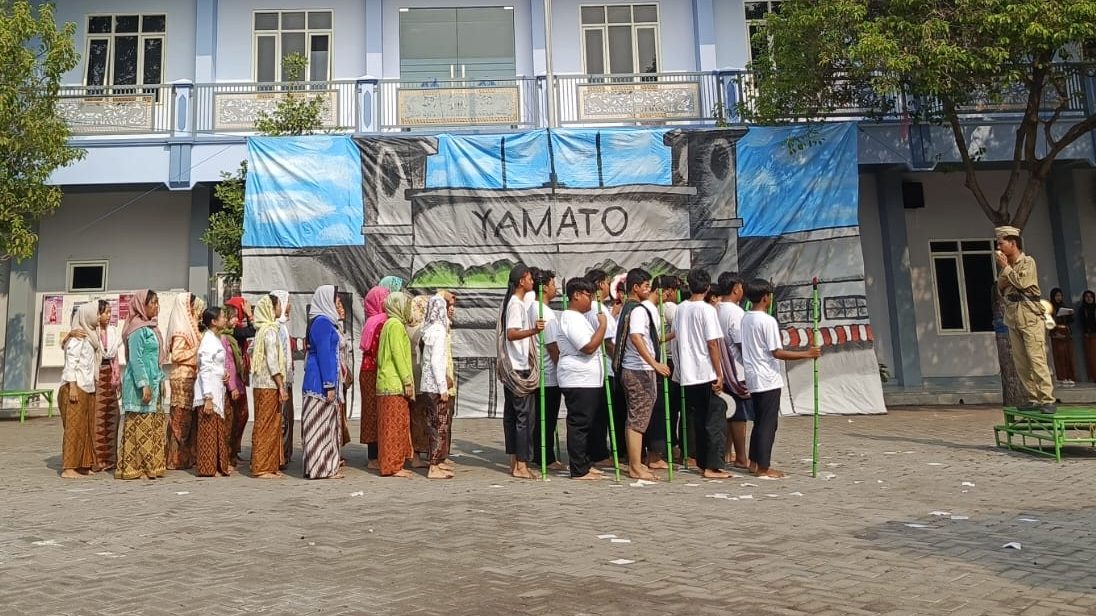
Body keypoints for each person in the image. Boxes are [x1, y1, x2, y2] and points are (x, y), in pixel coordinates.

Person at [741, 279, 822, 479]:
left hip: (753, 376)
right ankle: (763, 467)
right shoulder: (767, 321)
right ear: (765, 298)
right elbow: (776, 352)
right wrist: (807, 354)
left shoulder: (746, 318)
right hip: (767, 378)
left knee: (760, 422)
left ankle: (754, 462)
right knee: (768, 424)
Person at [671, 268, 731, 479]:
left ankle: (701, 461)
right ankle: (712, 466)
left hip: (688, 372)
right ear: (707, 287)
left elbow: (677, 334)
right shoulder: (707, 310)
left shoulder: (681, 308)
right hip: (705, 370)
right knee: (714, 420)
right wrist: (719, 373)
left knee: (698, 419)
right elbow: (712, 343)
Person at [614, 268, 671, 480]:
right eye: (646, 286)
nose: (649, 289)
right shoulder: (637, 310)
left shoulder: (628, 308)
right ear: (635, 287)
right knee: (637, 419)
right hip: (638, 369)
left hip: (636, 368)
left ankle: (636, 463)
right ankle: (635, 465)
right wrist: (654, 363)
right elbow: (637, 338)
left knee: (638, 418)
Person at [995, 226, 1057, 413]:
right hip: (1013, 316)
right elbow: (1001, 287)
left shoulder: (1027, 262)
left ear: (1013, 243)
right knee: (1021, 361)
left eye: (1001, 243)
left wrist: (1006, 269)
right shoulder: (1008, 267)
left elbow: (1022, 283)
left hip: (1030, 315)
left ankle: (1047, 399)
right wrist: (1007, 273)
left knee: (1036, 358)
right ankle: (1033, 398)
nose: (998, 247)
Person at [556, 278, 608, 480]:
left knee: (589, 423)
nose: (591, 301)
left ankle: (585, 462)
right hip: (578, 378)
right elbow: (587, 347)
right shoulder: (570, 317)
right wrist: (602, 326)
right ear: (576, 295)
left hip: (588, 379)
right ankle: (578, 469)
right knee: (579, 423)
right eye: (589, 296)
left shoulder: (580, 318)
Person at [115, 290, 167, 480]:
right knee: (140, 426)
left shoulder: (152, 328)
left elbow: (155, 358)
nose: (156, 307)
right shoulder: (137, 330)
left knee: (152, 426)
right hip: (139, 385)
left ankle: (151, 466)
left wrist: (160, 380)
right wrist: (144, 384)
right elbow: (136, 359)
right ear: (141, 306)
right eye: (152, 303)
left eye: (157, 303)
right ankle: (136, 467)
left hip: (154, 380)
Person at [497, 264, 543, 480]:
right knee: (524, 418)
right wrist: (534, 330)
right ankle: (521, 465)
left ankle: (514, 461)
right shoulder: (515, 304)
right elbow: (512, 334)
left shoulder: (515, 303)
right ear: (521, 281)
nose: (532, 281)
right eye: (529, 278)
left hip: (516, 367)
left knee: (513, 416)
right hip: (518, 368)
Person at [301, 285, 345, 480]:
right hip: (318, 383)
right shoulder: (322, 323)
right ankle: (320, 468)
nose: (339, 306)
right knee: (319, 427)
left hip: (323, 381)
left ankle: (325, 466)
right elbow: (325, 356)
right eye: (336, 302)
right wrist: (329, 384)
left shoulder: (327, 323)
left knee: (325, 426)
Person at [59, 302, 102, 478]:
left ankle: (84, 464)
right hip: (75, 387)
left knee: (86, 427)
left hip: (87, 386)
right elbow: (71, 362)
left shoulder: (90, 335)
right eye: (97, 314)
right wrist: (73, 387)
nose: (99, 317)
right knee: (74, 429)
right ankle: (69, 468)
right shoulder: (78, 336)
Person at [376, 291, 415, 478]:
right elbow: (398, 355)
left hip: (386, 382)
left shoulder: (388, 324)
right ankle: (393, 466)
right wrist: (407, 380)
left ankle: (390, 463)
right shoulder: (396, 326)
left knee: (389, 426)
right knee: (395, 427)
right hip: (394, 383)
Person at [716, 272, 753, 469]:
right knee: (738, 414)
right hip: (735, 370)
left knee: (729, 412)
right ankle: (740, 456)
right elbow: (741, 342)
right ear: (736, 289)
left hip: (723, 368)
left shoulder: (717, 308)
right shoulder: (735, 313)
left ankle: (727, 452)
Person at [249, 294, 288, 478]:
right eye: (278, 305)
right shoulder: (270, 331)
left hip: (260, 384)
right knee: (267, 425)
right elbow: (273, 361)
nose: (281, 308)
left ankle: (267, 465)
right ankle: (261, 467)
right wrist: (281, 385)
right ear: (271, 309)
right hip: (269, 385)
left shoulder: (261, 330)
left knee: (265, 424)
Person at [528, 268, 563, 471]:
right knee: (547, 418)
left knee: (541, 418)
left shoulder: (530, 307)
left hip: (537, 370)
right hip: (548, 373)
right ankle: (546, 457)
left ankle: (539, 454)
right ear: (544, 287)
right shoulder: (544, 312)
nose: (555, 288)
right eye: (552, 284)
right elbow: (552, 346)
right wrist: (562, 367)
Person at [166, 292, 204, 470]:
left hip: (191, 377)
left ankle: (187, 456)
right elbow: (178, 355)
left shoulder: (190, 327)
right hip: (181, 378)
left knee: (189, 419)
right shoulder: (181, 330)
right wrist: (197, 351)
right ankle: (175, 458)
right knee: (180, 418)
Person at [584, 268, 618, 466]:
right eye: (606, 282)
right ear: (599, 284)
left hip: (601, 367)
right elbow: (607, 341)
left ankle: (597, 451)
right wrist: (617, 360)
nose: (608, 286)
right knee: (600, 414)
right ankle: (598, 454)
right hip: (604, 366)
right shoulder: (597, 309)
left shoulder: (595, 307)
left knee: (599, 413)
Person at [194, 307, 233, 477]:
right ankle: (207, 467)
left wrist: (223, 372)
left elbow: (215, 366)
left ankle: (218, 465)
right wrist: (208, 397)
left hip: (217, 387)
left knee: (217, 429)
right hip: (208, 391)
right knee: (208, 431)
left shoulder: (214, 339)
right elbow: (205, 368)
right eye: (222, 317)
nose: (225, 319)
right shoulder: (208, 341)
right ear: (213, 322)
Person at [419, 295, 454, 479]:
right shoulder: (439, 331)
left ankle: (437, 462)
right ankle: (434, 466)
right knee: (439, 425)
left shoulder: (428, 330)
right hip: (435, 387)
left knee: (432, 424)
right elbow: (436, 362)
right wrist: (443, 388)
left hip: (426, 385)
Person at [359, 285, 390, 468]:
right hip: (375, 371)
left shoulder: (370, 320)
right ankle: (374, 457)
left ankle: (373, 455)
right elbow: (379, 352)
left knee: (370, 412)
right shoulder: (381, 322)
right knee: (375, 412)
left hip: (367, 371)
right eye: (384, 298)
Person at [270, 290, 296, 467]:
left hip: (286, 379)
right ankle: (279, 457)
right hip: (280, 381)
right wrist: (282, 384)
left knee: (287, 418)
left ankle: (284, 455)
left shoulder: (282, 327)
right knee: (282, 420)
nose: (289, 306)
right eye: (286, 302)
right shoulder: (276, 328)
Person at [220, 304, 248, 463]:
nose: (236, 320)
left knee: (242, 416)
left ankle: (233, 450)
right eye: (231, 317)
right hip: (231, 384)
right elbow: (227, 364)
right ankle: (227, 454)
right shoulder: (224, 338)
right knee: (230, 420)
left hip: (238, 381)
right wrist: (232, 387)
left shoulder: (233, 336)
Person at [407, 294, 431, 468]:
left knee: (414, 416)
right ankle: (416, 455)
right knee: (419, 416)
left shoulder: (405, 326)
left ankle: (415, 453)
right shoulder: (422, 329)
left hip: (411, 372)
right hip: (419, 374)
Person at [1049, 287, 1077, 386]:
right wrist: (1054, 333)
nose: (1059, 298)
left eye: (1060, 295)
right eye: (1057, 296)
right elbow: (1049, 322)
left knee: (1068, 355)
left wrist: (1070, 314)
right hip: (1057, 332)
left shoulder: (1064, 306)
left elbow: (1070, 321)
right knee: (1060, 356)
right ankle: (1062, 376)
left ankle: (1070, 376)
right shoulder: (1051, 308)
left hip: (1066, 332)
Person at [1081, 290, 1096, 382]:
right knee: (1092, 357)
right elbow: (1083, 322)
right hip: (1089, 335)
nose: (1089, 298)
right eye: (1087, 296)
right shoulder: (1083, 309)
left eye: (1091, 296)